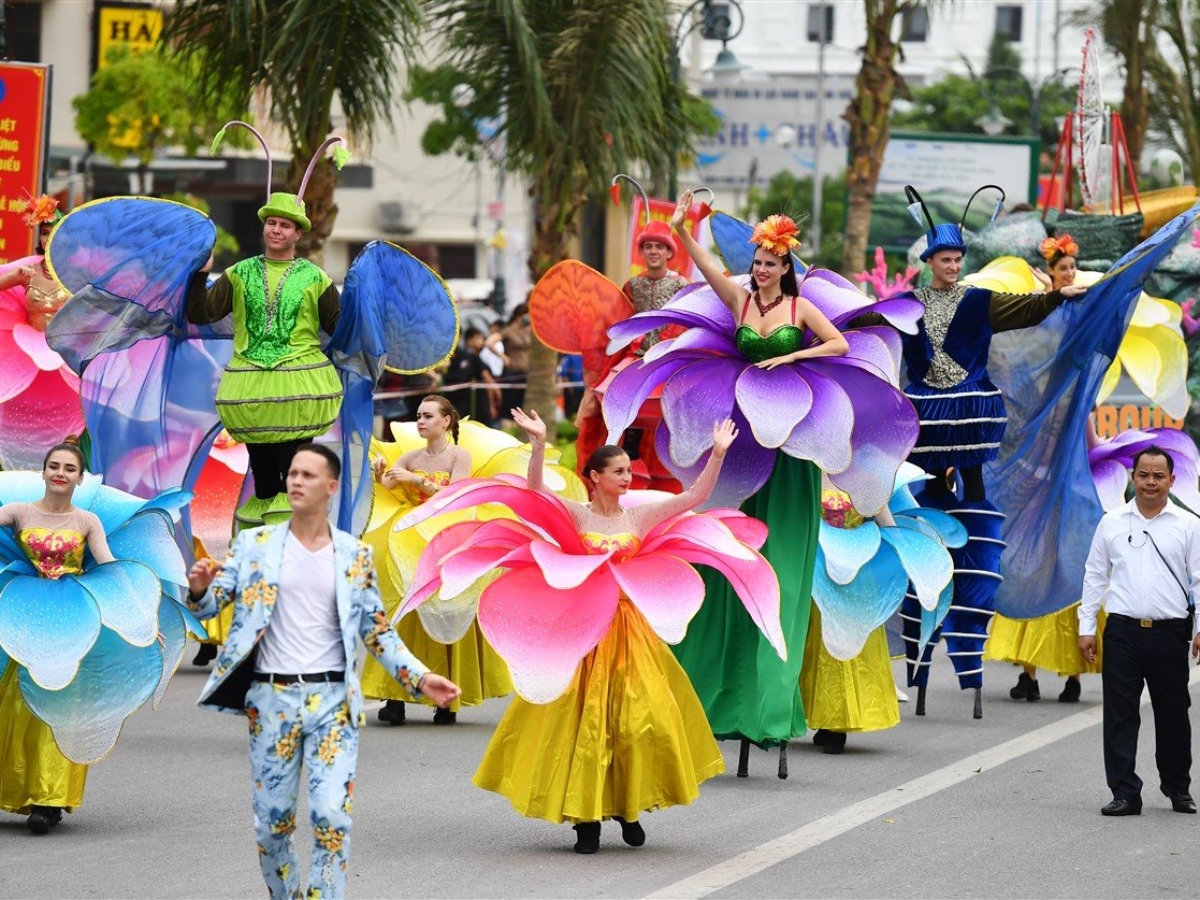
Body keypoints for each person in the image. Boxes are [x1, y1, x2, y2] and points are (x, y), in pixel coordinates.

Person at [185, 442, 461, 897]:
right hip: (270, 701)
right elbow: (212, 606)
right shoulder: (254, 545)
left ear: (331, 487)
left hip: (333, 702)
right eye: (293, 473)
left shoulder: (354, 555)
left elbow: (378, 632)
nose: (295, 481)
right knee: (272, 828)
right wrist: (199, 591)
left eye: (308, 475)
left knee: (332, 818)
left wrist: (419, 677)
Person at [895, 186, 1087, 718]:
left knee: (976, 505)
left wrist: (1056, 296)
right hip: (925, 422)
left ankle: (973, 614)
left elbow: (1023, 309)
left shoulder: (980, 300)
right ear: (928, 262)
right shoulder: (908, 305)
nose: (953, 266)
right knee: (928, 512)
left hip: (975, 416)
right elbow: (864, 320)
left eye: (958, 259)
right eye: (945, 259)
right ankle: (922, 620)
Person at [0, 438, 194, 835]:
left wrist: (143, 620)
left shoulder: (87, 522)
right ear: (44, 471)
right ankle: (15, 789)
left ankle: (49, 801)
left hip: (72, 616)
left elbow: (111, 570)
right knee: (16, 706)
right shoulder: (18, 512)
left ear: (79, 477)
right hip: (28, 613)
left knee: (64, 705)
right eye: (54, 465)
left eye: (69, 468)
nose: (60, 473)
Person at [187, 187, 342, 531]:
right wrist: (201, 274)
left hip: (299, 388)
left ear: (298, 234)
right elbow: (202, 314)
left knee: (295, 472)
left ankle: (297, 542)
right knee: (264, 476)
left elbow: (339, 326)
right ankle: (259, 552)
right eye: (271, 223)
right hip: (253, 389)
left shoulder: (316, 278)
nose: (276, 230)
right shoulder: (239, 273)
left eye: (285, 225)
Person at [364, 395, 510, 726]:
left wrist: (417, 481)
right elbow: (390, 483)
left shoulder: (460, 455)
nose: (421, 422)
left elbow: (455, 497)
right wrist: (380, 474)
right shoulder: (411, 455)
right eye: (418, 416)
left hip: (447, 537)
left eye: (428, 416)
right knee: (404, 607)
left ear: (446, 421)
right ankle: (394, 696)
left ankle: (446, 700)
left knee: (446, 611)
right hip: (412, 539)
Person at [1079, 445, 1200, 817]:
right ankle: (1125, 791)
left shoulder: (1188, 525)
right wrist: (1087, 627)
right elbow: (1095, 575)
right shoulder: (1112, 522)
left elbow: (1199, 580)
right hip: (1122, 632)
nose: (1150, 482)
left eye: (1158, 476)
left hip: (1169, 633)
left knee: (1173, 713)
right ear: (1133, 478)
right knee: (1119, 714)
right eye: (1144, 475)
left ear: (1171, 480)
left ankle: (1178, 788)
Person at [0, 195, 85, 472]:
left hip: (66, 364)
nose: (49, 239)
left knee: (66, 446)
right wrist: (14, 279)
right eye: (45, 233)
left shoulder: (78, 275)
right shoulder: (28, 269)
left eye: (54, 234)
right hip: (27, 362)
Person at [442, 328, 499, 423]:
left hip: (476, 404)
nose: (482, 341)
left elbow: (487, 379)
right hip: (457, 401)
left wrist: (492, 401)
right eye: (478, 338)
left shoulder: (472, 357)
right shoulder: (453, 356)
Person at [499, 303, 532, 415]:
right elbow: (490, 342)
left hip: (525, 372)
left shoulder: (526, 331)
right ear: (519, 316)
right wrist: (504, 357)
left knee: (522, 405)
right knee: (510, 406)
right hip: (512, 372)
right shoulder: (508, 331)